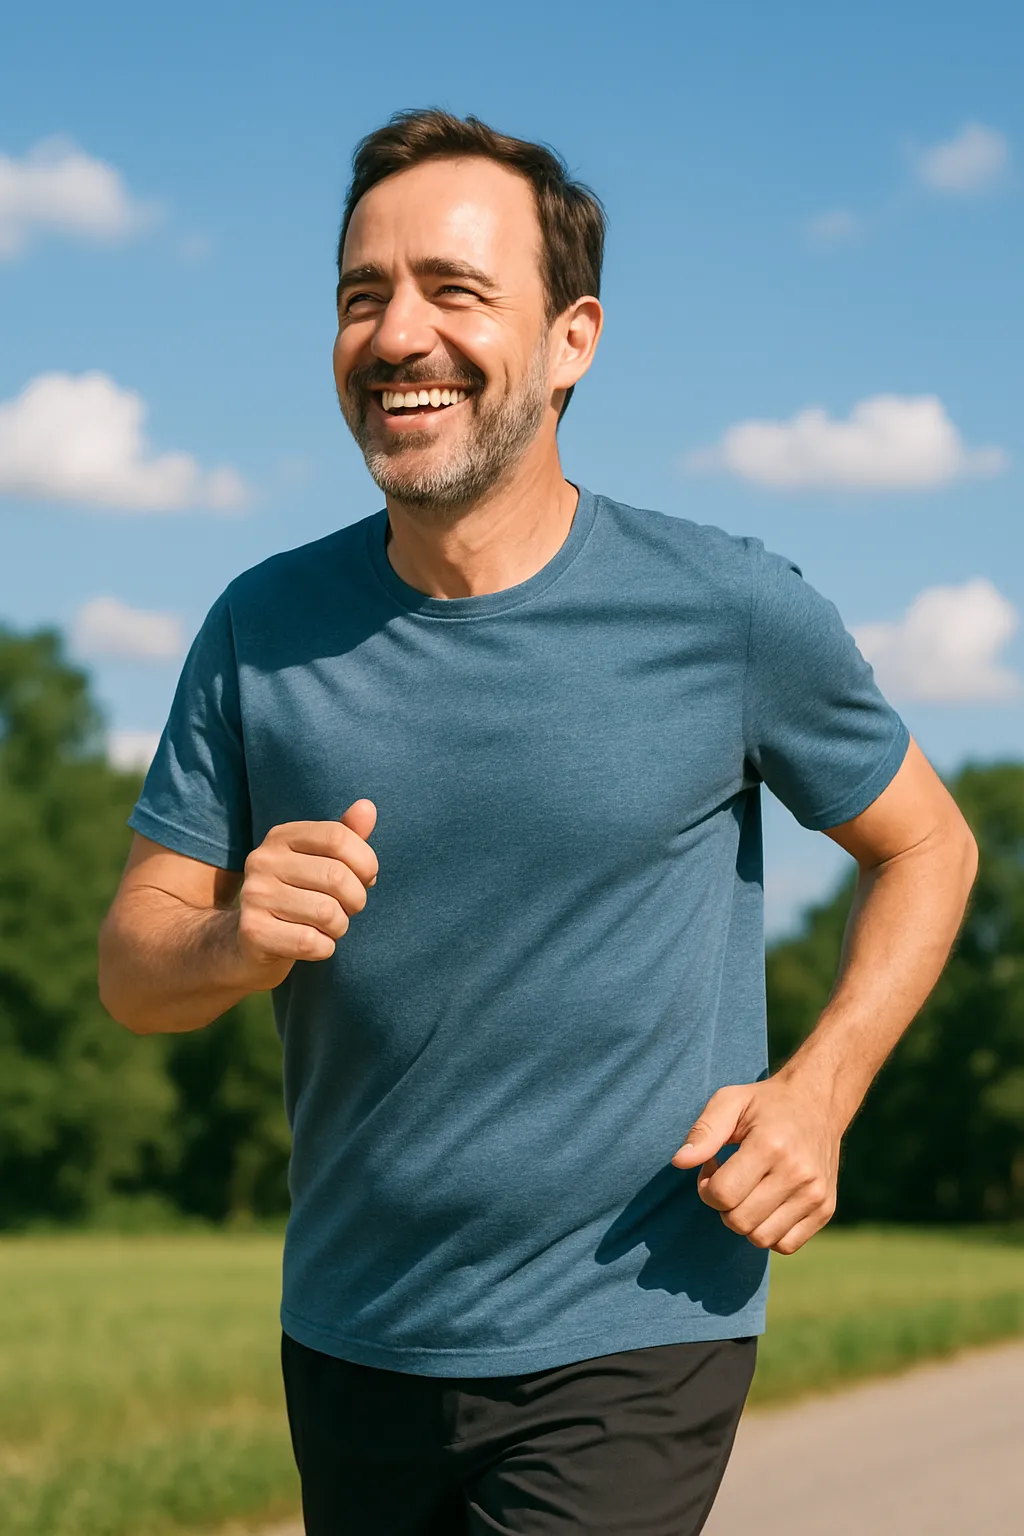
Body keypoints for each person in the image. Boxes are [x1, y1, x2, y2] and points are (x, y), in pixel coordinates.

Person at [98, 109, 978, 1536]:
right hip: (351, 1328)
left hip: (635, 1318)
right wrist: (228, 937)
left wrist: (821, 1091)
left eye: (454, 292)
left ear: (573, 340)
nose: (397, 335)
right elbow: (135, 968)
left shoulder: (730, 611)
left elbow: (929, 845)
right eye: (361, 296)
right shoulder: (260, 630)